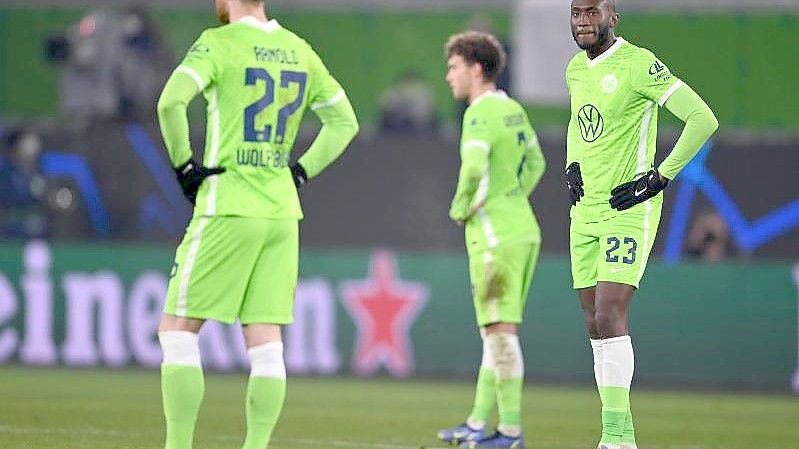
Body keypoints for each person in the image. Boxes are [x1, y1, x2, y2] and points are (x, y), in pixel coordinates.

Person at [155, 0, 359, 447]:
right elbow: (345, 123)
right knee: (265, 341)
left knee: (177, 331)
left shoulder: (217, 44)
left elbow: (170, 103)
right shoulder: (299, 50)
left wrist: (184, 167)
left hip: (228, 204)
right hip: (282, 214)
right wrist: (300, 172)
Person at [564, 1, 718, 448]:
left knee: (612, 313)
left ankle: (615, 437)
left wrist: (659, 176)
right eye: (576, 12)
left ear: (614, 18)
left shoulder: (639, 64)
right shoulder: (575, 69)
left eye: (593, 11)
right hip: (585, 209)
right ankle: (621, 435)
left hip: (629, 209)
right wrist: (571, 162)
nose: (583, 20)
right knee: (594, 321)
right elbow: (581, 124)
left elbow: (701, 119)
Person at [437, 31, 546, 449]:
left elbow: (472, 169)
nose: (449, 77)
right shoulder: (512, 108)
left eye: (454, 67)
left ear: (475, 68)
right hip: (522, 229)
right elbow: (536, 162)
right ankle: (477, 423)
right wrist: (511, 196)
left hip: (495, 237)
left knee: (500, 334)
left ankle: (511, 432)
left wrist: (460, 207)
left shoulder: (479, 114)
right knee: (496, 333)